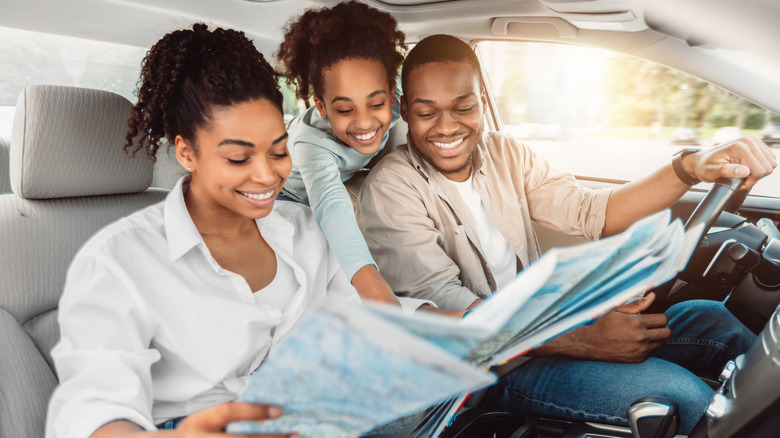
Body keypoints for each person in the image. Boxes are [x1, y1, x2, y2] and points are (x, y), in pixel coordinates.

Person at [355, 34, 777, 433]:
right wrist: (581, 338)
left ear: (482, 102)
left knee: (714, 321)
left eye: (463, 107)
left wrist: (690, 167)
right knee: (688, 399)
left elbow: (593, 210)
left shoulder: (505, 153)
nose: (446, 127)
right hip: (489, 372)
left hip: (549, 323)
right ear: (405, 109)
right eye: (427, 112)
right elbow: (456, 323)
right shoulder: (391, 190)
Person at [46, 23, 359, 438]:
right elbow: (93, 409)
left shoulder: (309, 231)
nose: (267, 175)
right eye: (237, 159)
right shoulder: (118, 259)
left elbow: (360, 324)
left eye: (279, 151)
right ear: (186, 152)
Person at [275, 0, 410, 308]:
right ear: (321, 107)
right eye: (346, 110)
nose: (364, 122)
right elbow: (330, 206)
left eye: (376, 104)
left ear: (391, 91)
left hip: (347, 183)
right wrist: (370, 283)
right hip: (291, 200)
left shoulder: (400, 98)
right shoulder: (309, 142)